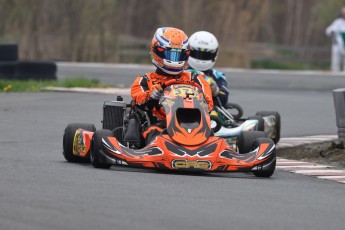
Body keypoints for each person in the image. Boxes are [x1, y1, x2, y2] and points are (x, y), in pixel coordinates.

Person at [131, 27, 214, 144]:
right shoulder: (144, 80)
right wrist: (152, 96)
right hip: (160, 125)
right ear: (157, 51)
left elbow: (209, 105)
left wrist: (202, 100)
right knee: (155, 134)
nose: (174, 61)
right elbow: (140, 102)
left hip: (195, 126)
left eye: (179, 56)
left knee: (211, 135)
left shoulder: (195, 79)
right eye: (170, 54)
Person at [187, 31, 229, 106]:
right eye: (196, 54)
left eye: (206, 55)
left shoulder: (218, 76)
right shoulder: (180, 73)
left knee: (214, 113)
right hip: (180, 108)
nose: (200, 59)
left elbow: (224, 100)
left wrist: (215, 91)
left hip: (210, 112)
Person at [325, 7, 345, 72]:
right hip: (338, 47)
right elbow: (329, 30)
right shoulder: (338, 22)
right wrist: (332, 32)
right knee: (335, 66)